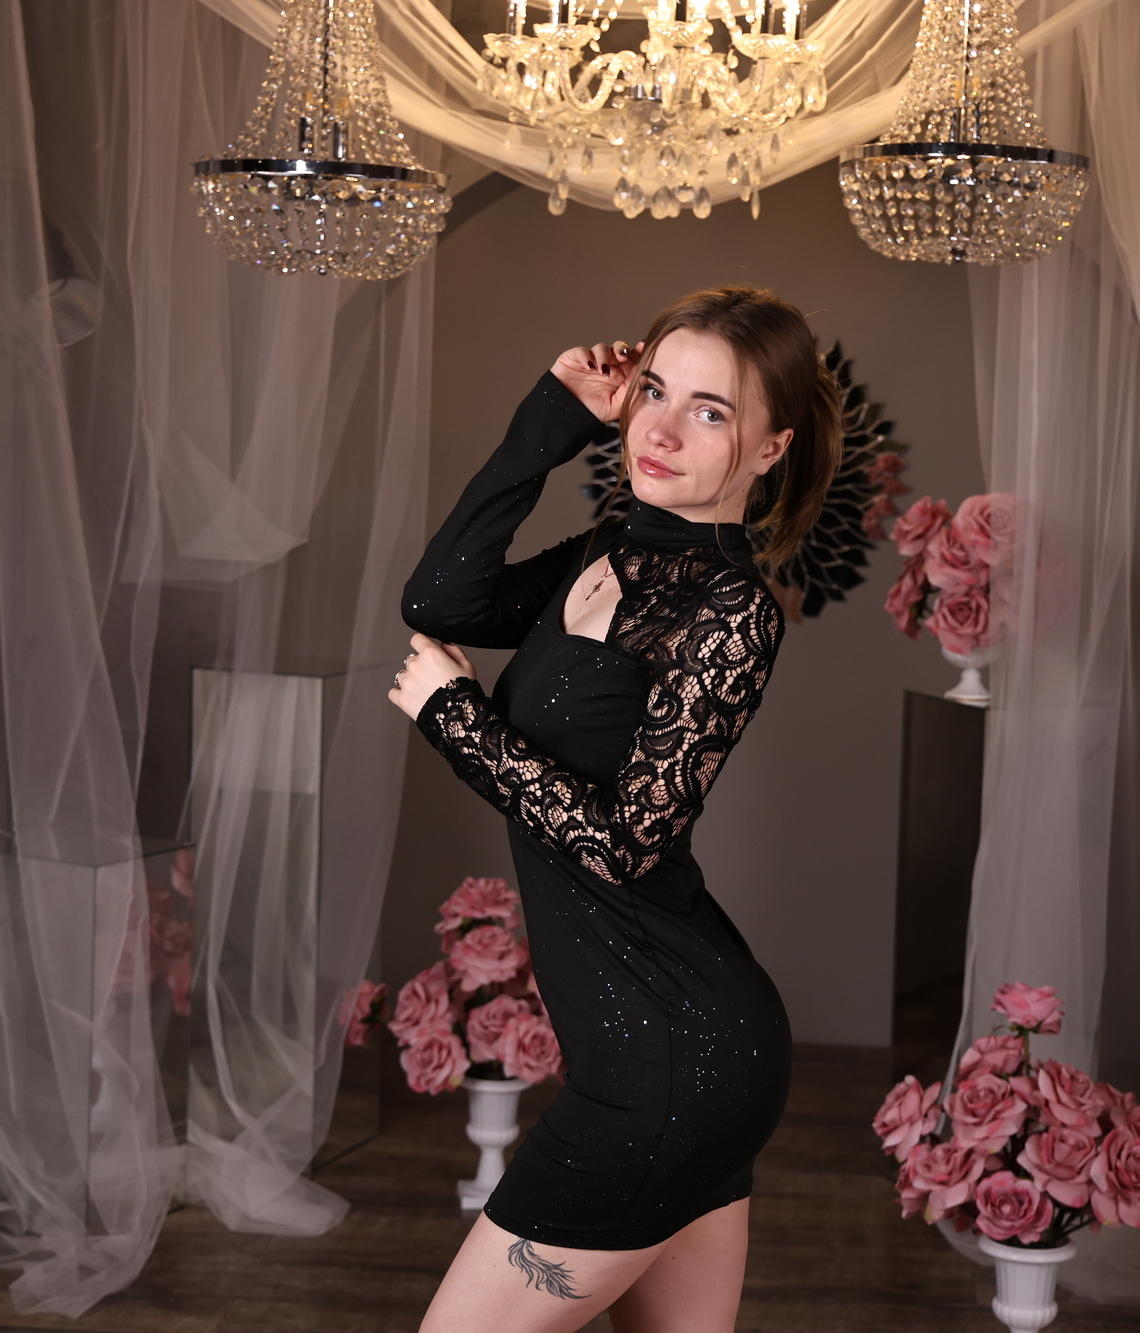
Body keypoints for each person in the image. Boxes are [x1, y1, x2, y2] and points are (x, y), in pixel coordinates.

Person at [390, 286, 841, 1332]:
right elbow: (440, 600)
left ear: (771, 448)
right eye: (654, 391)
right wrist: (550, 415)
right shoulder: (610, 552)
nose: (662, 429)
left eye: (710, 411)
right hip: (676, 1053)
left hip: (669, 1060)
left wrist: (454, 717)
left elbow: (626, 843)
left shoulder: (729, 609)